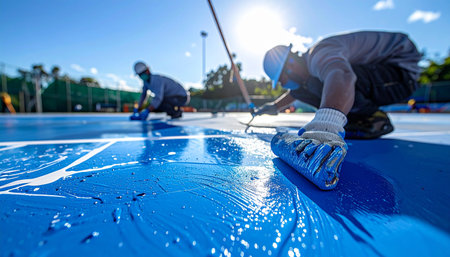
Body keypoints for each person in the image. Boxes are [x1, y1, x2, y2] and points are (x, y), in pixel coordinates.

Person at [257, 31, 421, 189]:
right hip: (380, 70)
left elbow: (341, 74)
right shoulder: (306, 72)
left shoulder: (319, 53)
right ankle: (356, 117)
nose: (283, 85)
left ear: (291, 65)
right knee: (308, 87)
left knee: (321, 83)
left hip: (400, 71)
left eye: (282, 80)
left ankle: (373, 118)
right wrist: (273, 106)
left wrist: (327, 123)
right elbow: (294, 93)